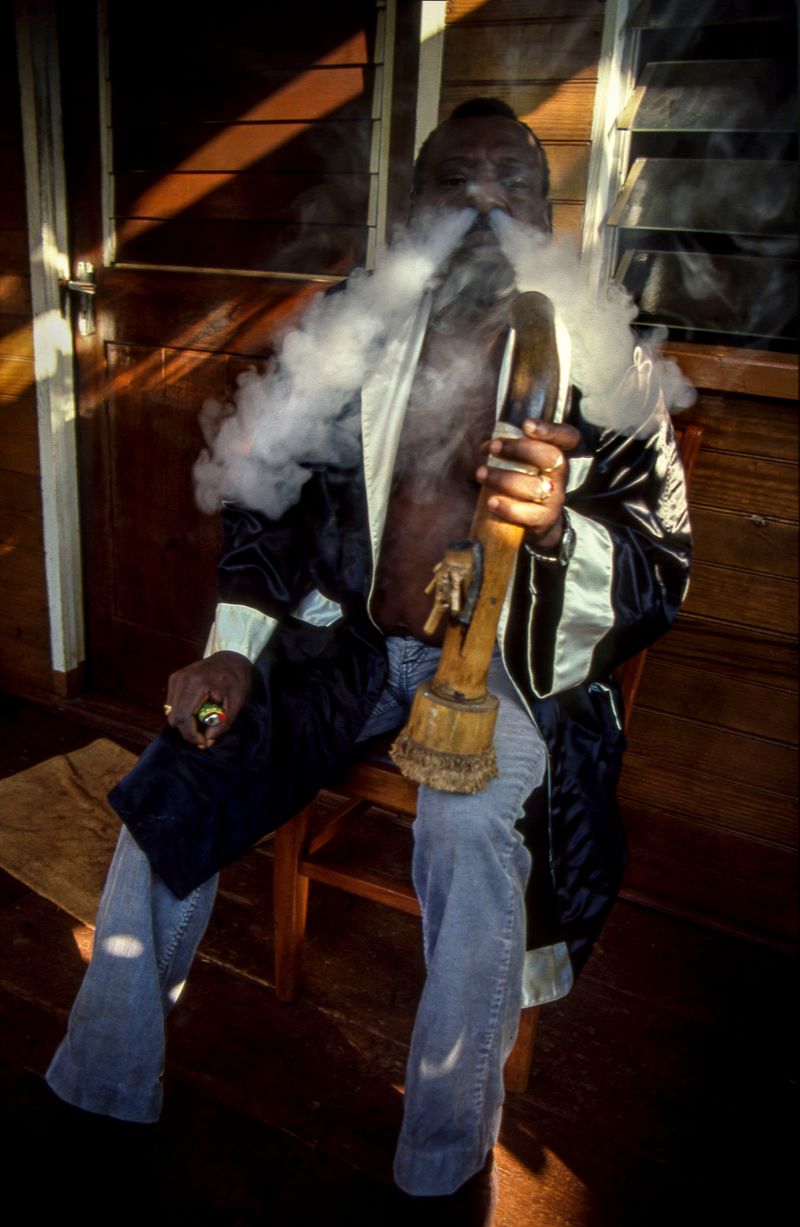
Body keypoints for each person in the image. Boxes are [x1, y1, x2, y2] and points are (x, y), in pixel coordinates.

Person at [45, 99, 691, 1223]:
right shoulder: (355, 328)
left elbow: (657, 569)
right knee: (185, 756)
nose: (485, 203)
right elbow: (263, 502)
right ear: (413, 210)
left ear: (547, 210)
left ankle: (441, 1174)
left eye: (512, 182)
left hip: (506, 676)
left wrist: (554, 532)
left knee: (466, 825)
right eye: (456, 180)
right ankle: (100, 1093)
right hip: (336, 649)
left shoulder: (608, 366)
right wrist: (232, 656)